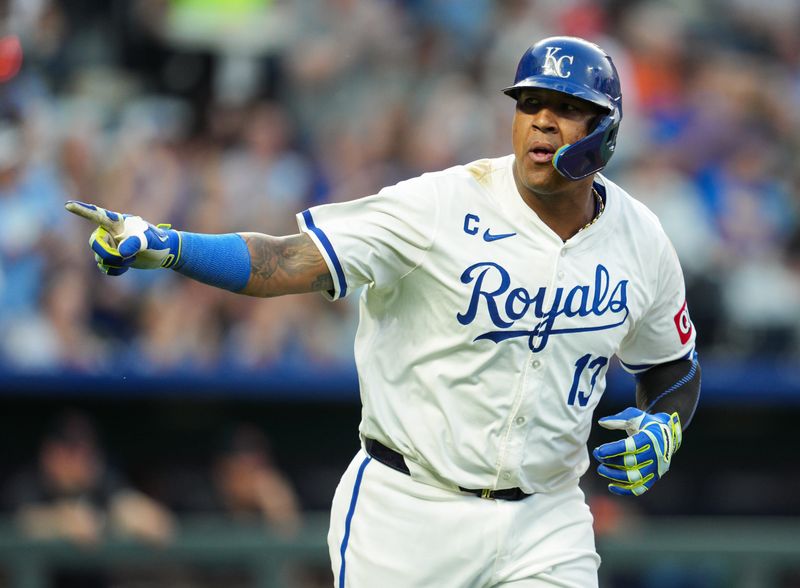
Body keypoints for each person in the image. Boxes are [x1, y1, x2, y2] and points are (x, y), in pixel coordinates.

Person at [66, 36, 701, 588]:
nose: (541, 122)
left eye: (566, 108)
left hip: (547, 514)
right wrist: (171, 246)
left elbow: (674, 369)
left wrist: (664, 426)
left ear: (605, 132)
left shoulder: (640, 239)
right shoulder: (439, 206)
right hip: (411, 508)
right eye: (530, 104)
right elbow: (286, 262)